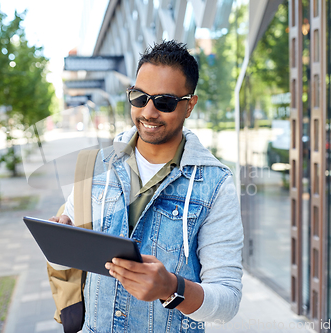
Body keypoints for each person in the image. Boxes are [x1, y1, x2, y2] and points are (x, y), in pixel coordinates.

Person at [50, 40, 243, 332]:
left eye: (164, 102)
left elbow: (227, 303)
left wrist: (172, 288)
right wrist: (61, 240)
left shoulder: (216, 185)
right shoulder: (95, 165)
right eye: (140, 97)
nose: (148, 112)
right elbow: (69, 267)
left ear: (190, 105)